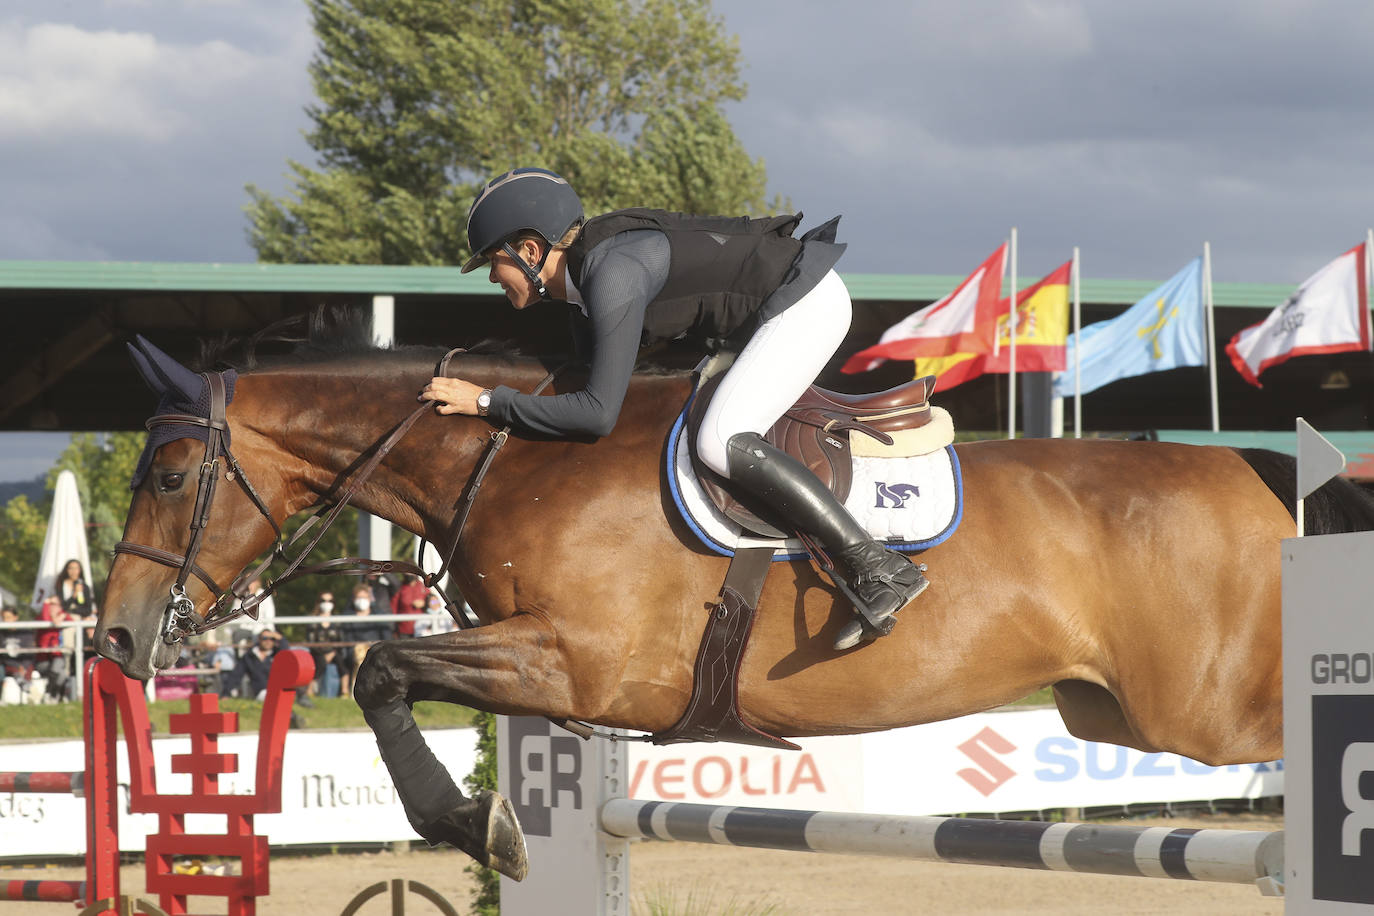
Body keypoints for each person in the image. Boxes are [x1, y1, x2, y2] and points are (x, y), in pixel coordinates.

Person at [420, 168, 928, 650]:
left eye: (493, 261)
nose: (491, 277)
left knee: (719, 440)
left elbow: (597, 413)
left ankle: (877, 565)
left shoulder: (610, 274)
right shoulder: (584, 284)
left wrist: (486, 401)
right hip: (774, 311)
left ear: (529, 250)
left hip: (805, 305)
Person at [305, 591, 346, 698]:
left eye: (330, 601)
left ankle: (344, 691)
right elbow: (311, 642)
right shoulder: (312, 620)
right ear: (318, 602)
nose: (326, 603)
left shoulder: (337, 621)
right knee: (320, 663)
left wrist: (332, 652)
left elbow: (340, 641)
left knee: (342, 663)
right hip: (317, 652)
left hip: (334, 651)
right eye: (323, 600)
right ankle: (310, 690)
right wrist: (325, 654)